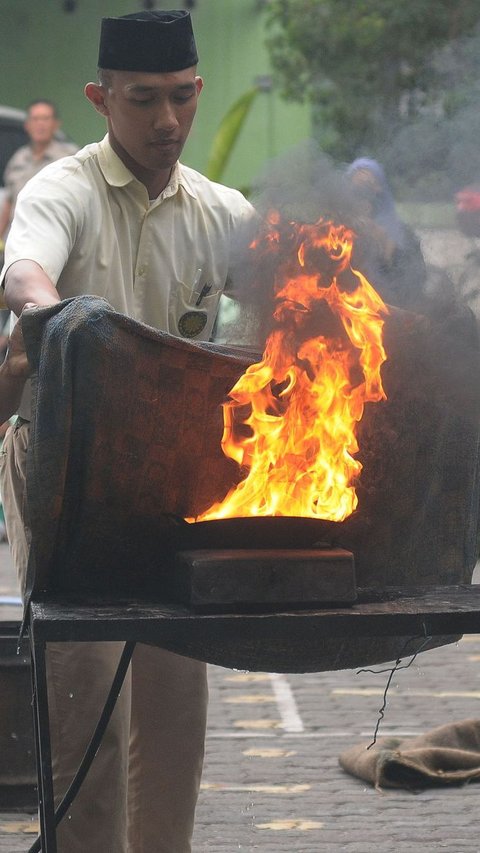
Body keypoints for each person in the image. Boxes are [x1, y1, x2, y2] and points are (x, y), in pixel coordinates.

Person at [0, 10, 254, 853]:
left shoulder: (222, 211)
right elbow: (26, 271)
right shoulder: (60, 189)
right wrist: (58, 316)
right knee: (85, 720)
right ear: (100, 99)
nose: (167, 122)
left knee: (174, 711)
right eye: (143, 100)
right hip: (67, 476)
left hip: (177, 478)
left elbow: (293, 294)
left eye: (181, 97)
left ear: (197, 91)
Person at [346, 157, 427, 310]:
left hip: (392, 308)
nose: (364, 196)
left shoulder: (401, 232)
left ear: (380, 188)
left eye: (369, 186)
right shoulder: (336, 231)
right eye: (357, 190)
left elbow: (416, 280)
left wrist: (387, 249)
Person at [0, 99, 78, 243]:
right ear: (27, 125)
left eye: (45, 119)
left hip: (53, 241)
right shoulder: (19, 158)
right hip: (18, 242)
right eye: (35, 119)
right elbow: (9, 203)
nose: (40, 124)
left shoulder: (70, 158)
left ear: (56, 125)